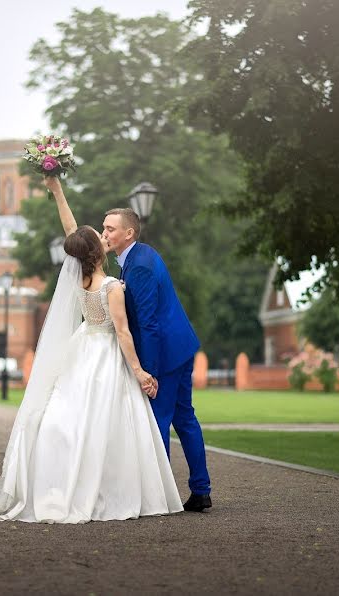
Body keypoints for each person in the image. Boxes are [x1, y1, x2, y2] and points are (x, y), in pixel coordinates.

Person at [0, 178, 182, 524]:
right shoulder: (111, 287)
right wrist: (139, 371)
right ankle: (108, 489)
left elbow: (72, 230)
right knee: (110, 420)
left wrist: (57, 190)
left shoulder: (78, 277)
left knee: (75, 415)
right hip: (104, 351)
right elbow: (122, 332)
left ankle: (69, 480)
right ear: (96, 249)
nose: (105, 237)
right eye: (100, 235)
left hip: (82, 347)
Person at [101, 193, 213, 512]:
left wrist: (146, 373)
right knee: (184, 418)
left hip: (164, 353)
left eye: (110, 229)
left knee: (158, 420)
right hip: (179, 346)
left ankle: (160, 497)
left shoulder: (139, 268)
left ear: (129, 234)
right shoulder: (138, 259)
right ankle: (200, 490)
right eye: (104, 228)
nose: (105, 233)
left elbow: (148, 323)